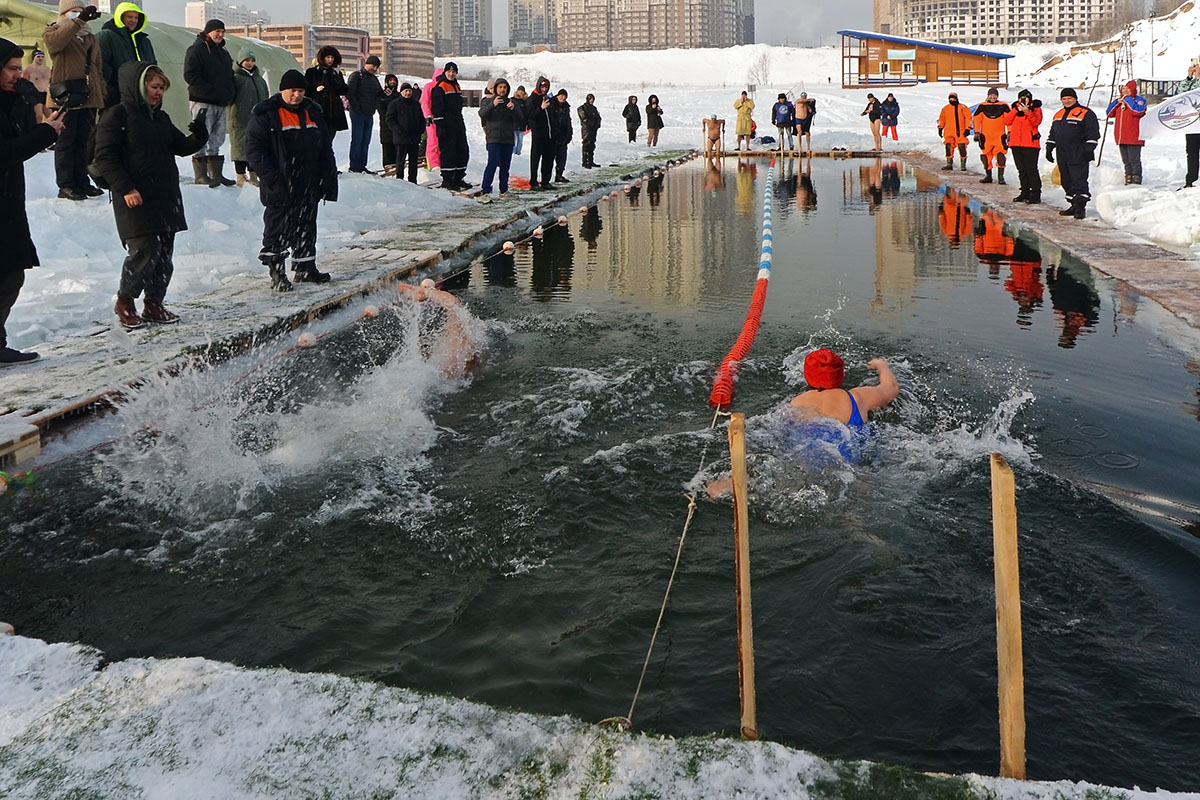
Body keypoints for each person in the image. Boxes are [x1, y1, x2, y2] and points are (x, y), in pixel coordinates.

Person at [92, 62, 208, 329]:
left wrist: (199, 135)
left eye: (162, 89)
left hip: (164, 196)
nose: (159, 93)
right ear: (139, 86)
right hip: (135, 197)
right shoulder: (117, 116)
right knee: (144, 251)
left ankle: (154, 304)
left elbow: (181, 147)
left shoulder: (160, 118)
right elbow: (105, 157)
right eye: (154, 87)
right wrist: (126, 188)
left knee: (164, 256)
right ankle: (125, 301)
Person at [706, 349, 899, 495]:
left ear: (807, 375)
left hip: (808, 456)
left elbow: (774, 431)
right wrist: (882, 366)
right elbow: (890, 388)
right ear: (841, 375)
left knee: (783, 478)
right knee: (853, 487)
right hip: (846, 458)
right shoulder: (858, 397)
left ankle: (735, 484)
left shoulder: (798, 403)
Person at [0, 37, 64, 365]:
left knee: (11, 273)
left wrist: (24, 106)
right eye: (11, 69)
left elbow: (18, 142)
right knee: (8, 273)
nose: (17, 74)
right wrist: (44, 134)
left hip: (8, 203)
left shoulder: (8, 101)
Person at [245, 69, 338, 291]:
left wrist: (327, 178)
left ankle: (305, 267)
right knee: (278, 228)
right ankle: (277, 272)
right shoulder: (266, 114)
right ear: (282, 90)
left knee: (306, 225)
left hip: (308, 181)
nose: (296, 95)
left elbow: (325, 147)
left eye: (300, 91)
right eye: (292, 91)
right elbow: (254, 149)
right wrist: (272, 178)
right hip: (281, 183)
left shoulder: (312, 112)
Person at [43, 0, 104, 201]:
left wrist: (101, 92)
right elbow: (55, 44)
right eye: (73, 12)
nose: (79, 15)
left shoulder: (90, 37)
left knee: (84, 142)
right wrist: (77, 22)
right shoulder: (54, 31)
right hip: (64, 95)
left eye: (81, 12)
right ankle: (66, 184)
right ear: (63, 14)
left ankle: (82, 181)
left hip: (88, 95)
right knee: (66, 142)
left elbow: (97, 66)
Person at [183, 18, 235, 187]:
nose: (220, 34)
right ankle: (201, 174)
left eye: (222, 31)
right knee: (201, 135)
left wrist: (229, 93)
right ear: (208, 32)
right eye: (216, 31)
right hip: (202, 101)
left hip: (220, 102)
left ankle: (216, 174)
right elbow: (190, 74)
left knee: (217, 137)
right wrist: (208, 90)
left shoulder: (224, 53)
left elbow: (229, 77)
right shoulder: (196, 50)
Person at [395, 280, 478, 379]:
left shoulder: (449, 366)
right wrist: (427, 292)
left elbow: (452, 304)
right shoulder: (456, 360)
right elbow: (454, 305)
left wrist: (426, 292)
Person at [1045, 87, 1100, 220]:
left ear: (1075, 98)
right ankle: (1073, 204)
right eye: (1064, 99)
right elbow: (1053, 133)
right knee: (1066, 180)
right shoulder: (1058, 114)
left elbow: (1093, 132)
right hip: (1062, 152)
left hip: (1078, 152)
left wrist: (1089, 149)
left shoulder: (1085, 113)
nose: (1067, 101)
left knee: (1078, 179)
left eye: (1069, 98)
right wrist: (1049, 147)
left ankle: (1081, 207)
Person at [97, 1, 155, 110]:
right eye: (130, 17)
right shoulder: (106, 36)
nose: (133, 21)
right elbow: (100, 63)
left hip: (142, 95)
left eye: (136, 18)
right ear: (121, 17)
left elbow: (153, 65)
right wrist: (117, 81)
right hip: (115, 96)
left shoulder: (144, 41)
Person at [228, 50, 268, 187]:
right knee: (240, 147)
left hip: (257, 120)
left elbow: (266, 97)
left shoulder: (259, 79)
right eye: (247, 60)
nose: (250, 63)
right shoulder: (235, 78)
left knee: (255, 147)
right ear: (240, 61)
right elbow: (229, 98)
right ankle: (240, 175)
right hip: (239, 118)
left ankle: (253, 175)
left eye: (252, 60)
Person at [430, 61, 470, 190]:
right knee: (449, 151)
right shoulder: (440, 86)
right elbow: (436, 108)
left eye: (453, 72)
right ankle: (448, 179)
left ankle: (458, 177)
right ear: (445, 72)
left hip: (457, 121)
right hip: (446, 123)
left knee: (462, 150)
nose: (451, 74)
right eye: (449, 72)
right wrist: (440, 126)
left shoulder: (456, 85)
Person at [1003, 88, 1043, 204]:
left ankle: (1035, 193)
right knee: (1022, 170)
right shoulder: (1015, 108)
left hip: (1030, 144)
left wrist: (1027, 112)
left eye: (1026, 98)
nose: (1023, 100)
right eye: (1021, 98)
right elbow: (1006, 121)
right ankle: (1024, 192)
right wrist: (1016, 110)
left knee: (1031, 170)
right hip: (1016, 143)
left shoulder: (1036, 108)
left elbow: (1036, 122)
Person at [478, 76, 516, 198]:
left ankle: (503, 190)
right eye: (500, 87)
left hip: (507, 139)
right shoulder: (487, 101)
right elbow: (482, 114)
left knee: (505, 166)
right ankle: (485, 190)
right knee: (492, 164)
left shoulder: (511, 102)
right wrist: (492, 105)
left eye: (504, 87)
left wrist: (514, 110)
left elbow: (521, 119)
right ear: (495, 88)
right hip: (493, 138)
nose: (502, 90)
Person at [1106, 80, 1147, 185]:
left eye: (1127, 88)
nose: (1125, 91)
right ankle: (1128, 177)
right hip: (1121, 136)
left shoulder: (1139, 101)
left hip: (1134, 136)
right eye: (1123, 89)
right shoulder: (1120, 102)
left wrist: (1128, 100)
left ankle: (1137, 178)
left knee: (1134, 160)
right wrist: (1116, 102)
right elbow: (1109, 113)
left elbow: (1137, 111)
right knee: (1126, 160)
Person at [346, 54, 381, 173]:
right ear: (367, 64)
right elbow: (350, 93)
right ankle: (354, 166)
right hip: (358, 113)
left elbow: (379, 94)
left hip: (369, 113)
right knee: (357, 139)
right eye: (373, 66)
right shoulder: (356, 76)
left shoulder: (374, 79)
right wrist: (357, 108)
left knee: (366, 140)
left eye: (377, 67)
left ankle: (362, 165)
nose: (375, 69)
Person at [304, 45, 347, 139]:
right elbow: (306, 90)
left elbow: (343, 90)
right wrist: (316, 89)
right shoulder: (312, 72)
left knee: (329, 139)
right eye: (328, 57)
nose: (330, 60)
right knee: (317, 140)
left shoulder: (336, 73)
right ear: (322, 58)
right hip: (317, 110)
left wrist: (337, 78)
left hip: (333, 112)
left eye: (332, 57)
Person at [385, 81, 424, 183]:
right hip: (401, 138)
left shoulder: (416, 104)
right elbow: (389, 119)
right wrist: (397, 129)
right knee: (400, 161)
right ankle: (400, 180)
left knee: (413, 162)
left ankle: (413, 180)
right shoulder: (395, 104)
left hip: (414, 138)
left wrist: (421, 130)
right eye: (405, 91)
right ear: (401, 92)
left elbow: (421, 118)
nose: (408, 93)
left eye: (409, 91)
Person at [1171, 63, 1200, 188]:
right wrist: (1189, 77)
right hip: (1192, 124)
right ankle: (1191, 181)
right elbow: (1180, 93)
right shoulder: (1193, 83)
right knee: (1192, 152)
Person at [973, 87, 1010, 184]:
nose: (993, 97)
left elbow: (1009, 120)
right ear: (988, 95)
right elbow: (977, 119)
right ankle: (988, 176)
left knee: (1001, 156)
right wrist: (977, 132)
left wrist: (1010, 132)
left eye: (995, 95)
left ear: (997, 96)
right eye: (991, 95)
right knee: (985, 156)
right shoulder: (982, 106)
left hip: (999, 136)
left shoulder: (1003, 106)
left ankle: (1001, 177)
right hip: (986, 136)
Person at [526, 76, 553, 189]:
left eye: (546, 87)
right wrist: (540, 108)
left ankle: (545, 181)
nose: (544, 89)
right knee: (536, 158)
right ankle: (533, 181)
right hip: (538, 133)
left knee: (548, 158)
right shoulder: (532, 99)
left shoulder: (547, 98)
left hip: (549, 133)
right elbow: (530, 115)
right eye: (542, 87)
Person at [938, 92, 972, 171]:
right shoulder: (945, 109)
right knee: (948, 147)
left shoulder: (963, 107)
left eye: (953, 98)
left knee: (962, 147)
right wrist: (940, 128)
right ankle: (949, 164)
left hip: (961, 132)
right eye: (950, 99)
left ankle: (963, 165)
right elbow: (942, 119)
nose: (952, 100)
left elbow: (968, 118)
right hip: (949, 132)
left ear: (957, 99)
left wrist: (968, 128)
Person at [376, 73, 399, 172]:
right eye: (390, 80)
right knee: (387, 150)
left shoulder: (398, 95)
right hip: (386, 127)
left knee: (397, 151)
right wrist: (388, 98)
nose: (392, 82)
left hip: (398, 127)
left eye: (394, 80)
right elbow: (383, 110)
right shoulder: (382, 95)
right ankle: (388, 169)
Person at [550, 87, 573, 182]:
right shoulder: (552, 104)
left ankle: (559, 175)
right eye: (561, 96)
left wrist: (569, 134)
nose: (563, 98)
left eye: (565, 96)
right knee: (550, 158)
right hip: (553, 136)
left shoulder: (566, 107)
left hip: (563, 136)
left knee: (562, 158)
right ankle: (546, 178)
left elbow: (568, 121)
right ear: (558, 95)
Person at [22, 49, 50, 120]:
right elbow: (24, 83)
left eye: (42, 57)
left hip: (46, 93)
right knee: (38, 115)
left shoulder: (48, 69)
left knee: (50, 115)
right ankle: (37, 129)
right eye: (38, 56)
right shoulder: (29, 69)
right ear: (34, 57)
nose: (40, 58)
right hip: (35, 94)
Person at [577, 92, 601, 168]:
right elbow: (584, 118)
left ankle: (591, 161)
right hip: (586, 130)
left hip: (593, 129)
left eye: (593, 99)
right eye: (590, 99)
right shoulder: (582, 108)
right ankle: (585, 161)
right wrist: (591, 124)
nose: (592, 101)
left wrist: (597, 124)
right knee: (586, 144)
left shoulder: (594, 108)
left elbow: (598, 117)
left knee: (592, 145)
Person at [511, 84, 528, 156]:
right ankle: (513, 152)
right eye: (519, 91)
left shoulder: (526, 101)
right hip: (514, 123)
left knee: (520, 140)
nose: (521, 92)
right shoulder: (512, 100)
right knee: (514, 139)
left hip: (522, 124)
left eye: (522, 91)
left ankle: (518, 153)